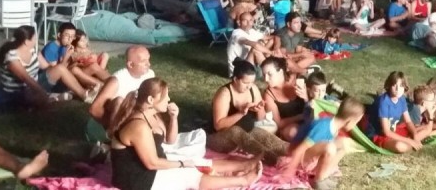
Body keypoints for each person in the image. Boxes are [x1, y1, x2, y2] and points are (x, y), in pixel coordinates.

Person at [109, 78, 260, 190]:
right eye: (165, 96)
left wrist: (174, 118)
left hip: (149, 164)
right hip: (135, 178)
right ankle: (244, 180)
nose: (169, 99)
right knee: (188, 174)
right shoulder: (138, 125)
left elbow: (170, 141)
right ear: (150, 99)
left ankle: (244, 165)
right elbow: (152, 163)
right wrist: (181, 165)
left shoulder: (152, 114)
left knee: (194, 161)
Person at [206, 59, 289, 163]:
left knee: (264, 135)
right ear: (236, 79)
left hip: (245, 135)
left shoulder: (252, 89)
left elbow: (261, 121)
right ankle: (274, 160)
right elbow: (218, 126)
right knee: (236, 131)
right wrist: (241, 113)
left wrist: (259, 109)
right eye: (245, 83)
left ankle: (300, 153)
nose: (249, 86)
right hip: (219, 139)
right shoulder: (224, 94)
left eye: (252, 82)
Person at [0, 25, 94, 105]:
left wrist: (63, 67)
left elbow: (48, 67)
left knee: (59, 69)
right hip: (18, 92)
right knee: (33, 99)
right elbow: (26, 79)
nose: (36, 40)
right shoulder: (12, 58)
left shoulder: (31, 50)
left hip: (35, 83)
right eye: (34, 38)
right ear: (26, 42)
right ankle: (53, 97)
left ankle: (83, 94)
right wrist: (43, 94)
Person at [282, 97, 365, 189]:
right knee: (330, 148)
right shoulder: (323, 126)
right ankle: (318, 181)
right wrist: (289, 170)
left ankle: (324, 176)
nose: (355, 126)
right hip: (297, 159)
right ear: (350, 120)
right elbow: (299, 150)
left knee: (344, 143)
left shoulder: (335, 127)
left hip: (309, 157)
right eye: (356, 122)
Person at [89, 46, 155, 128]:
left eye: (148, 59)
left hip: (134, 122)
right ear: (131, 64)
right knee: (119, 101)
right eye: (144, 61)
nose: (149, 64)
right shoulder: (117, 80)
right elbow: (94, 109)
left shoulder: (149, 74)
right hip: (110, 126)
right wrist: (114, 127)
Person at [365, 71, 429, 153]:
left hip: (394, 130)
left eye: (401, 86)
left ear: (405, 87)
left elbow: (408, 121)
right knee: (400, 146)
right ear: (389, 86)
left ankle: (412, 142)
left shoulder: (401, 99)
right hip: (379, 134)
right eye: (394, 85)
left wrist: (415, 135)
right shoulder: (384, 102)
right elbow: (386, 132)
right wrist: (409, 141)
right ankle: (411, 144)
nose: (398, 89)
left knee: (426, 129)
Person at [42, 22, 105, 90]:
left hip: (68, 76)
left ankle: (113, 80)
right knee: (75, 70)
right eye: (67, 35)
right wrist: (67, 56)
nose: (70, 39)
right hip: (56, 83)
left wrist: (77, 63)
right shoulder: (51, 48)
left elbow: (67, 66)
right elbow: (58, 72)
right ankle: (103, 86)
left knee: (93, 66)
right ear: (59, 35)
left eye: (72, 36)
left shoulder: (65, 46)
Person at [260, 57, 306, 141]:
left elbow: (315, 101)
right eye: (264, 75)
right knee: (292, 132)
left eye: (269, 74)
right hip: (289, 127)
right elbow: (278, 123)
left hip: (309, 119)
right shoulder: (269, 95)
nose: (266, 79)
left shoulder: (296, 82)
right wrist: (300, 117)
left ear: (281, 72)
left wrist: (306, 97)